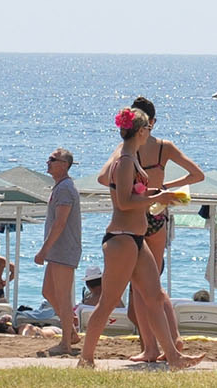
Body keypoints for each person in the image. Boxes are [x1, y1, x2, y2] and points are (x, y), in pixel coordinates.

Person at [77, 106, 201, 370]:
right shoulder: (124, 161)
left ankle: (174, 357)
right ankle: (85, 358)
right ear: (142, 130)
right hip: (121, 238)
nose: (150, 132)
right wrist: (159, 197)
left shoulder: (130, 157)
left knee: (154, 297)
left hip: (135, 237)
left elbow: (134, 193)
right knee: (108, 302)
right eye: (148, 128)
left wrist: (160, 193)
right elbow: (123, 202)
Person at [127, 96, 205, 361]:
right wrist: (165, 187)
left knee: (140, 288)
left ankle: (150, 347)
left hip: (137, 214)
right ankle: (173, 338)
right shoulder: (164, 147)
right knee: (154, 283)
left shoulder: (129, 148)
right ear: (153, 121)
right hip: (158, 215)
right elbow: (197, 175)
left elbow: (112, 181)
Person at [32, 146, 81, 358]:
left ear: (64, 165)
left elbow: (60, 223)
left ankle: (66, 343)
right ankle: (71, 332)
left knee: (62, 297)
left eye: (53, 159)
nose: (48, 162)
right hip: (58, 250)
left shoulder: (65, 188)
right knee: (48, 292)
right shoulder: (60, 187)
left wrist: (44, 250)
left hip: (64, 249)